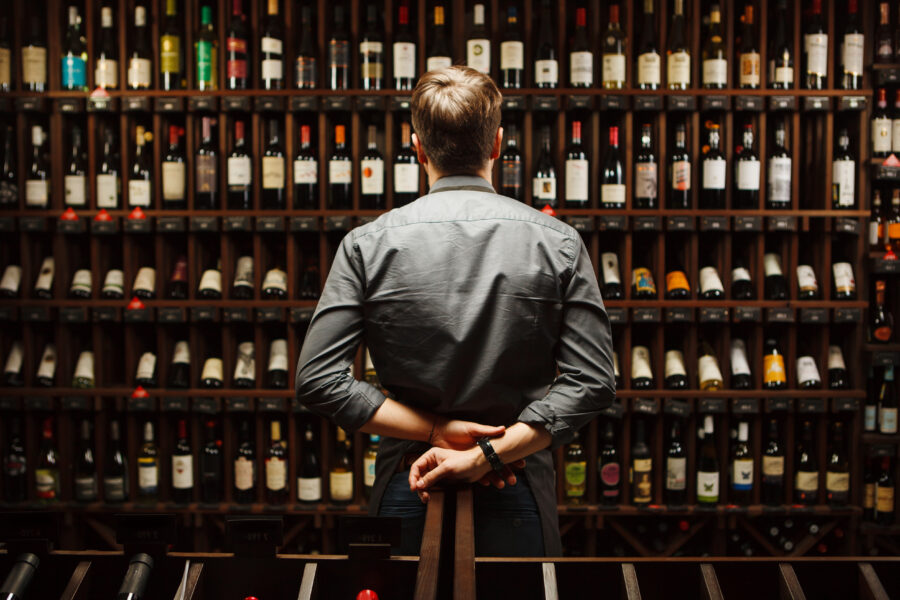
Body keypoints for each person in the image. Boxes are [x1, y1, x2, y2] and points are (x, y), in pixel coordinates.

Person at [295, 66, 615, 557]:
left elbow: (318, 380)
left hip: (411, 478)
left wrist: (435, 432)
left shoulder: (366, 244)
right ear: (498, 145)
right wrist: (490, 454)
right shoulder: (558, 243)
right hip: (517, 482)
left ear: (417, 147)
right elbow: (592, 382)